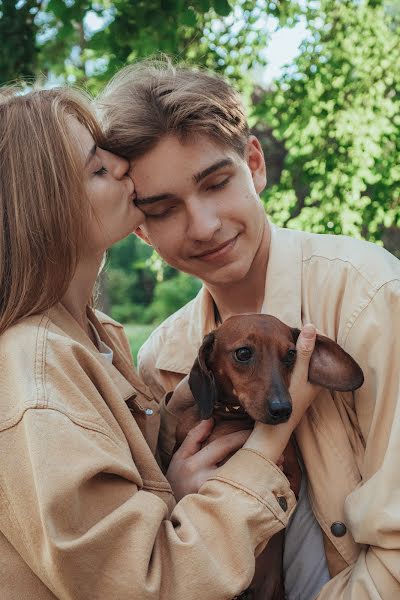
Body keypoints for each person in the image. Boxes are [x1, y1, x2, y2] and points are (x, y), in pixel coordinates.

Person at [0, 85, 319, 600]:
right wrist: (265, 449)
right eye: (98, 169)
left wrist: (175, 490)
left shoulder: (96, 336)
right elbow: (140, 584)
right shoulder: (35, 364)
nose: (124, 169)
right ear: (47, 206)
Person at [98, 59, 400, 599]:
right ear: (140, 231)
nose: (205, 225)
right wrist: (176, 496)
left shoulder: (371, 298)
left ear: (254, 164)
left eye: (216, 183)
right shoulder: (162, 361)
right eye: (164, 209)